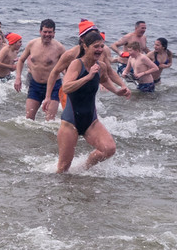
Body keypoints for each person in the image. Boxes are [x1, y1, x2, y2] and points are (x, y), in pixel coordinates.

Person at [56, 28, 131, 173]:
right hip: (70, 121)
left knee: (109, 149)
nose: (100, 49)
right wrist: (87, 77)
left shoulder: (101, 66)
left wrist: (118, 91)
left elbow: (105, 80)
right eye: (96, 46)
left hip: (91, 120)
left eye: (102, 46)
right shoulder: (77, 64)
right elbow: (66, 87)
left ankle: (84, 168)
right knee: (63, 168)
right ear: (85, 46)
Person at [14, 19, 65, 120]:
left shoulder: (59, 48)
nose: (47, 34)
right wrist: (18, 78)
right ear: (40, 32)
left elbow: (67, 66)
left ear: (54, 33)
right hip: (35, 85)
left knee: (50, 120)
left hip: (54, 87)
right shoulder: (32, 44)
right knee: (28, 119)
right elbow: (21, 60)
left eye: (50, 32)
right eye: (45, 32)